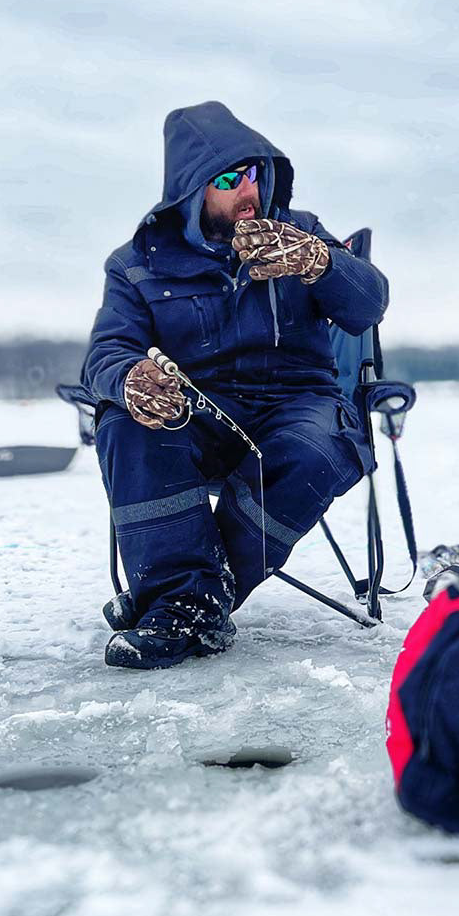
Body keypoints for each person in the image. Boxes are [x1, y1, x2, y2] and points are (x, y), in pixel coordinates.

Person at [81, 101, 388, 669]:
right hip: (202, 406)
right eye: (229, 178)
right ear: (193, 189)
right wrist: (130, 379)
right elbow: (106, 350)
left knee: (316, 449)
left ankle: (184, 604)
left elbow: (368, 306)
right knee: (127, 423)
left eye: (254, 173)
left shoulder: (301, 232)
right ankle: (184, 600)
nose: (248, 189)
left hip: (299, 399)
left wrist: (320, 262)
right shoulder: (136, 264)